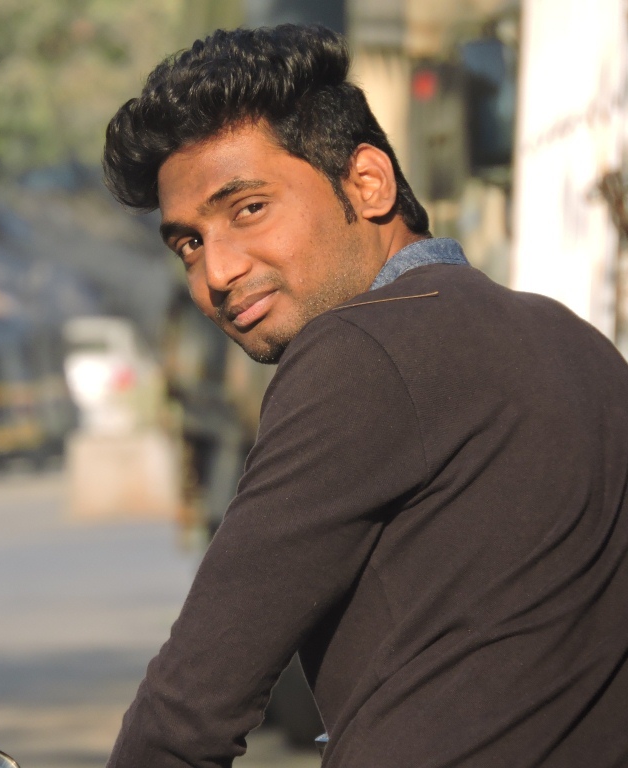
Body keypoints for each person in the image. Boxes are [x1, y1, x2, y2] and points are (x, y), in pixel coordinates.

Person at [101, 24, 628, 768]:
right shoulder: (575, 341)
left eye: (248, 208)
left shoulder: (357, 352)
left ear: (369, 183)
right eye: (189, 242)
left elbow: (188, 710)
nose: (217, 271)